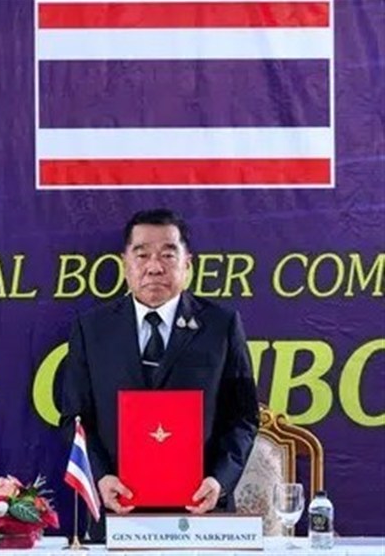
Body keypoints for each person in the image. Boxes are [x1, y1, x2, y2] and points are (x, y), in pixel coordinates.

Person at [60, 208, 259, 535]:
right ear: (125, 263)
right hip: (116, 512)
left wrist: (219, 481)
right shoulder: (92, 329)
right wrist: (101, 477)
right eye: (142, 255)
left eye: (168, 254)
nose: (154, 267)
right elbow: (75, 418)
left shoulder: (220, 326)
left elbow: (244, 417)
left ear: (187, 263)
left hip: (201, 513)